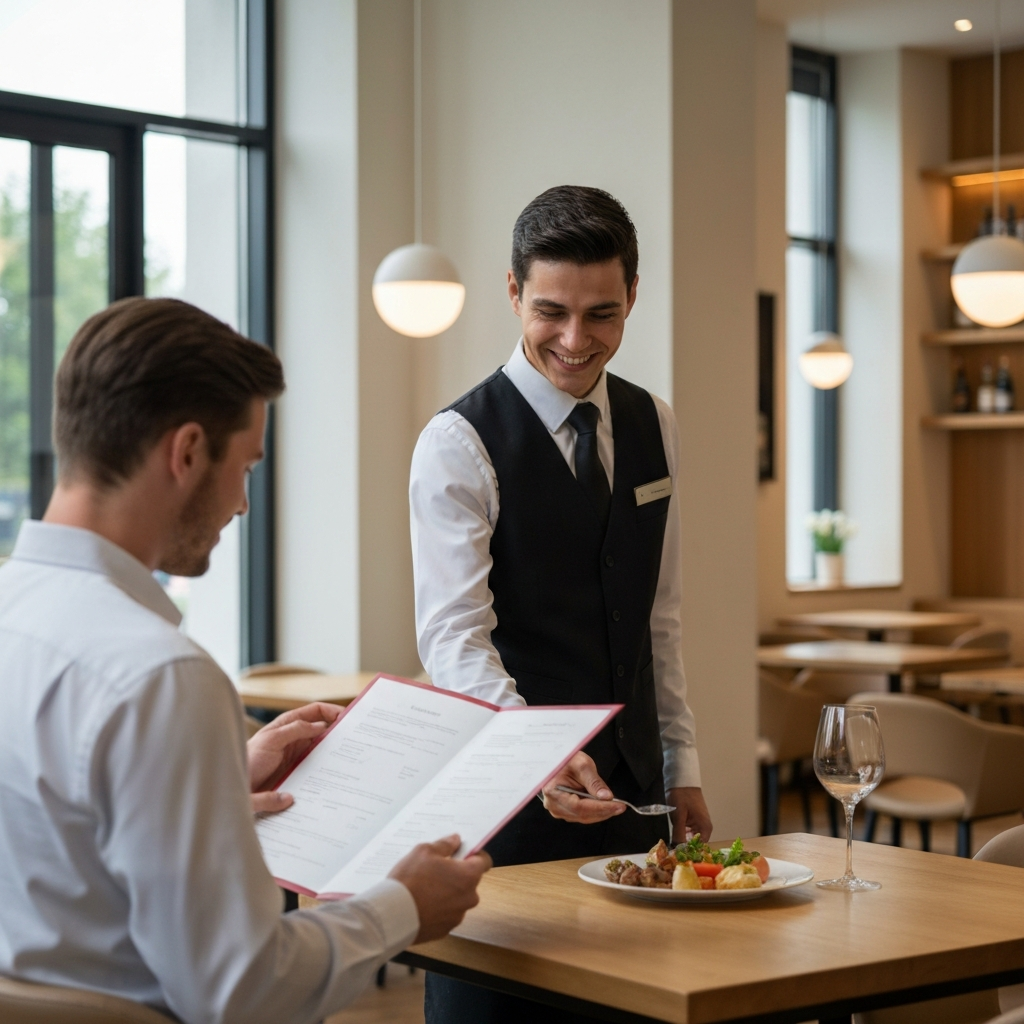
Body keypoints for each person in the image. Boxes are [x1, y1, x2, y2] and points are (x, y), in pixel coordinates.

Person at [0, 297, 490, 1024]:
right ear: (188, 451)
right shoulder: (162, 679)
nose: (242, 505)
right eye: (247, 466)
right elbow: (241, 993)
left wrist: (217, 781)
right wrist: (402, 907)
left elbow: (57, 843)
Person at [410, 185, 711, 1022]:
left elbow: (660, 616)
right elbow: (455, 642)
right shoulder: (458, 442)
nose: (576, 341)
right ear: (512, 293)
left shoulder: (656, 422)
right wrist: (538, 752)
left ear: (633, 299)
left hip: (631, 801)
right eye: (550, 311)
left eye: (602, 315)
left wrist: (681, 765)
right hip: (507, 812)